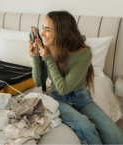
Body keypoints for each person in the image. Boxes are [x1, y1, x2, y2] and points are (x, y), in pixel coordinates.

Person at [28, 11, 123, 144]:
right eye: (42, 28)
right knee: (84, 125)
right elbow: (39, 82)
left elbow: (64, 87)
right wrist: (35, 57)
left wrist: (48, 58)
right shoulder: (48, 50)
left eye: (47, 29)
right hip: (58, 98)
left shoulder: (83, 54)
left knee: (116, 137)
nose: (42, 33)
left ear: (62, 32)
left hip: (82, 99)